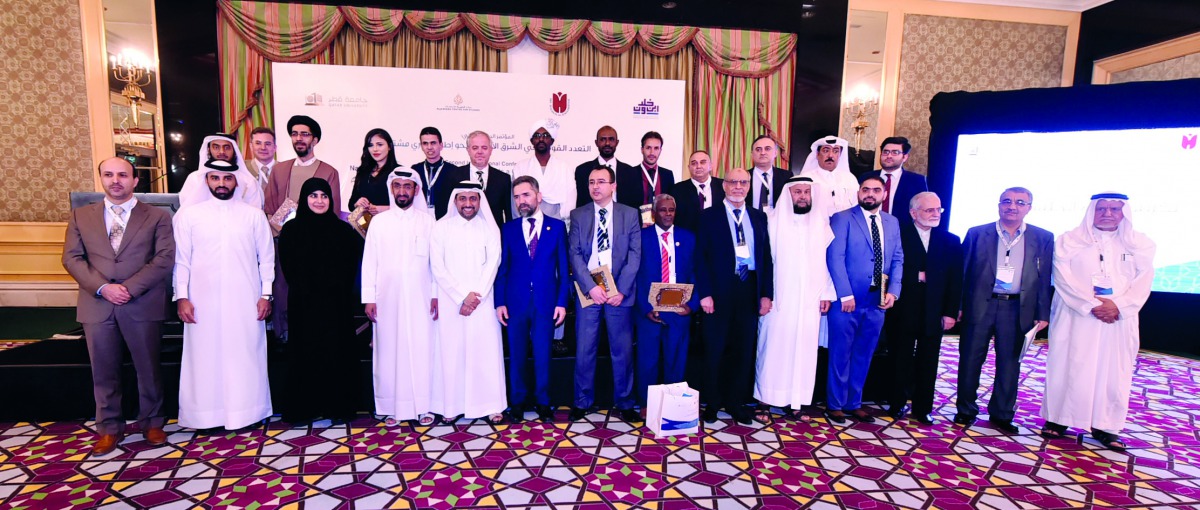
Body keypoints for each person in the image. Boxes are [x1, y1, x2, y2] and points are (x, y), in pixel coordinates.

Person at [62, 157, 175, 455]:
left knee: (148, 367)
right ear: (100, 178)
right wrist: (103, 288)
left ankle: (152, 423)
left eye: (123, 175)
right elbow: (72, 258)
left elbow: (164, 258)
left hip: (141, 302)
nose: (116, 180)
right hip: (97, 303)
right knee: (103, 369)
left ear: (135, 180)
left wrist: (128, 288)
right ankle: (109, 428)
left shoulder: (157, 216)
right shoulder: (80, 216)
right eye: (109, 174)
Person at [1040, 193, 1154, 452]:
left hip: (1118, 318)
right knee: (1068, 365)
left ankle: (1106, 426)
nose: (1108, 213)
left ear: (1124, 213)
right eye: (1102, 208)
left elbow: (1144, 280)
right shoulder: (1069, 241)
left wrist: (1118, 306)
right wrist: (1090, 305)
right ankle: (1058, 420)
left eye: (1114, 209)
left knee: (1113, 371)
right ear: (1092, 211)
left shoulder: (1140, 244)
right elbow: (1062, 276)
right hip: (1075, 315)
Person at [172, 158, 274, 431]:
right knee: (204, 356)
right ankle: (205, 415)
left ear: (236, 181)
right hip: (201, 301)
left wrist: (266, 294)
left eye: (227, 178)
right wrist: (182, 296)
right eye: (215, 178)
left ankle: (247, 412)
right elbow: (182, 261)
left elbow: (266, 259)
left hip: (246, 298)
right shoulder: (190, 216)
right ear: (207, 181)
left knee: (245, 354)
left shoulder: (253, 215)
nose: (221, 183)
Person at [956, 187, 1053, 433]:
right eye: (1007, 201)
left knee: (1010, 364)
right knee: (970, 360)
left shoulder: (1043, 237)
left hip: (1017, 308)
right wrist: (957, 306)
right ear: (998, 204)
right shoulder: (977, 233)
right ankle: (965, 410)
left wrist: (1043, 313)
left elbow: (1044, 279)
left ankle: (1002, 414)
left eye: (1020, 202)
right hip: (980, 305)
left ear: (1029, 207)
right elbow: (963, 273)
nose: (1013, 206)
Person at [278, 177, 365, 424]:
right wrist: (308, 290)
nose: (319, 201)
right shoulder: (291, 230)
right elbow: (288, 268)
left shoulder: (343, 231)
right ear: (305, 199)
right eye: (314, 196)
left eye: (324, 196)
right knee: (305, 354)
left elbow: (350, 268)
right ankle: (306, 407)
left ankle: (337, 407)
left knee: (337, 353)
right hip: (303, 305)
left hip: (336, 305)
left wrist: (334, 290)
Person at [695, 168, 774, 425]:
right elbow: (701, 260)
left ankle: (735, 402)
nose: (738, 187)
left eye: (743, 182)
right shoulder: (708, 217)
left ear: (749, 186)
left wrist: (766, 295)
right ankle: (713, 403)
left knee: (743, 350)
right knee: (715, 349)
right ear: (724, 186)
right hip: (718, 291)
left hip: (749, 289)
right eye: (732, 182)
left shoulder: (759, 217)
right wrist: (704, 294)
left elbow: (766, 259)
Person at [753, 176, 834, 424]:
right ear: (788, 194)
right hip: (779, 300)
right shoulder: (772, 222)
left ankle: (795, 401)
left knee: (803, 351)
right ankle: (765, 400)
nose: (801, 196)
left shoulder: (821, 224)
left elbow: (828, 261)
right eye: (797, 191)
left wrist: (827, 293)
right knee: (772, 349)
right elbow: (765, 262)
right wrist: (765, 295)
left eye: (806, 192)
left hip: (809, 300)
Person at [362, 169, 439, 427]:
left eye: (408, 186)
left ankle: (424, 406)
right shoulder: (380, 223)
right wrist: (369, 298)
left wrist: (435, 295)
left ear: (416, 190)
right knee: (389, 351)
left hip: (422, 298)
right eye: (398, 186)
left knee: (422, 349)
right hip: (387, 298)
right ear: (391, 189)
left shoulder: (428, 222)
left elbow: (437, 264)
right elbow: (369, 262)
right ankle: (390, 406)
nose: (403, 191)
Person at [825, 175, 903, 424]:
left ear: (884, 194)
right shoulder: (843, 218)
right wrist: (844, 294)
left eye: (876, 190)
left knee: (864, 353)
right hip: (848, 300)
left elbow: (898, 258)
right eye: (866, 189)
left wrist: (894, 292)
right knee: (840, 353)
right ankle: (835, 404)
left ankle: (854, 403)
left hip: (877, 300)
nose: (870, 194)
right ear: (859, 192)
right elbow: (835, 257)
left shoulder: (892, 222)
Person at [567, 165, 641, 422]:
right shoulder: (578, 214)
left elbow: (634, 254)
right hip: (589, 291)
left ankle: (625, 402)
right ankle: (582, 400)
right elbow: (574, 253)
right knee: (585, 348)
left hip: (619, 292)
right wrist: (591, 287)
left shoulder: (630, 214)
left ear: (613, 186)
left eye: (601, 181)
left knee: (622, 350)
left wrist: (620, 289)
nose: (595, 186)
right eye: (591, 182)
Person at [429, 182, 507, 425]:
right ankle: (450, 405)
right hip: (451, 299)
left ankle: (490, 405)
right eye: (463, 199)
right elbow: (437, 267)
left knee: (484, 354)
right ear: (455, 201)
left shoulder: (489, 229)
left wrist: (475, 297)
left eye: (473, 199)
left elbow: (493, 263)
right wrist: (462, 296)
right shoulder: (441, 228)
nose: (468, 204)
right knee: (451, 353)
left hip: (482, 304)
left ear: (479, 201)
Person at [883, 192, 962, 425]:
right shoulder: (898, 236)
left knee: (929, 360)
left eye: (938, 210)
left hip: (934, 312)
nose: (935, 214)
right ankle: (896, 403)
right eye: (929, 210)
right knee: (900, 358)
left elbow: (956, 280)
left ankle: (923, 407)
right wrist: (916, 276)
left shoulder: (951, 240)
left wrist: (950, 313)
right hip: (903, 308)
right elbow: (889, 269)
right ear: (913, 213)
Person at [495, 175, 569, 423]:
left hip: (546, 303)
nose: (521, 201)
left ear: (538, 196)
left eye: (526, 195)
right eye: (516, 197)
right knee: (516, 355)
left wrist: (561, 302)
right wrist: (499, 302)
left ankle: (544, 403)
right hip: (515, 303)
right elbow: (502, 269)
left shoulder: (557, 228)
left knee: (543, 355)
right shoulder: (508, 229)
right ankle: (517, 403)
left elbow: (563, 269)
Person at [263, 115, 343, 342]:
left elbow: (333, 212)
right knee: (285, 290)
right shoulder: (280, 170)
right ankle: (285, 335)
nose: (299, 138)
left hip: (318, 249)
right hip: (286, 244)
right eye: (295, 134)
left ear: (315, 140)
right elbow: (270, 209)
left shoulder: (329, 172)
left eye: (305, 134)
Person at [635, 194, 698, 416]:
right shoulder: (641, 237)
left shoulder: (688, 237)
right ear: (654, 213)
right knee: (647, 360)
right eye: (663, 210)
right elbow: (635, 276)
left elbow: (695, 272)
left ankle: (674, 404)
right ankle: (646, 403)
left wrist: (693, 304)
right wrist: (644, 308)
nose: (668, 214)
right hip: (650, 310)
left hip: (679, 309)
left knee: (676, 359)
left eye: (671, 210)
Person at [177, 133, 262, 210]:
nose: (222, 152)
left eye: (227, 147)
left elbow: (255, 214)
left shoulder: (248, 181)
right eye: (216, 147)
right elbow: (186, 212)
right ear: (209, 150)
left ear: (234, 150)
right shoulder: (194, 178)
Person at [513, 120, 575, 223]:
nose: (541, 139)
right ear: (532, 141)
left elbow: (570, 201)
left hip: (557, 222)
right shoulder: (520, 167)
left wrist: (559, 221)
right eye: (537, 136)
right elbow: (515, 202)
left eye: (545, 135)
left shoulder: (564, 168)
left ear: (552, 140)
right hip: (527, 221)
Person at [863, 136, 928, 219]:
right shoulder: (866, 177)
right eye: (885, 152)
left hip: (902, 230)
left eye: (895, 152)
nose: (889, 156)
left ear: (905, 157)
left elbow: (922, 210)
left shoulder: (916, 181)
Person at [460, 130, 513, 229]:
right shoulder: (454, 176)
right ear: (468, 150)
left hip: (494, 237)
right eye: (475, 148)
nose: (480, 152)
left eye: (484, 148)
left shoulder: (503, 179)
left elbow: (508, 215)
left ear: (491, 150)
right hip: (462, 235)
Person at [575, 126, 636, 208]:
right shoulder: (582, 171)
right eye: (603, 139)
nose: (607, 143)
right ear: (596, 143)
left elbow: (633, 205)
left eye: (611, 139)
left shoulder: (630, 172)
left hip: (622, 219)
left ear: (617, 142)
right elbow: (580, 204)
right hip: (592, 219)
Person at [617, 132, 675, 216]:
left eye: (656, 148)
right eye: (648, 148)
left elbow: (670, 204)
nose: (652, 152)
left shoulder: (667, 175)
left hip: (660, 225)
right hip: (636, 225)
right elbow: (625, 205)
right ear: (642, 149)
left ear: (660, 150)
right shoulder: (629, 174)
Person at [411, 127, 462, 219]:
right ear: (421, 146)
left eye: (433, 143)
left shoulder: (454, 171)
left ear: (441, 145)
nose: (429, 147)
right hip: (419, 219)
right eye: (425, 143)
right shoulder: (415, 170)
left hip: (446, 220)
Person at [798, 136, 859, 214]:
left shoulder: (850, 179)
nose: (830, 155)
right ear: (817, 154)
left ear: (840, 155)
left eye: (836, 151)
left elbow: (856, 206)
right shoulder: (806, 179)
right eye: (826, 150)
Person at [670, 149, 724, 233]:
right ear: (689, 167)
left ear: (710, 166)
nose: (698, 166)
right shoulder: (677, 190)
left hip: (717, 237)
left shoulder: (723, 186)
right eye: (694, 163)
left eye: (703, 162)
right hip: (689, 239)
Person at [348, 128, 399, 215]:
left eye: (379, 144)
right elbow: (351, 205)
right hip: (365, 226)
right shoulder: (363, 171)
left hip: (389, 225)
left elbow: (407, 206)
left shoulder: (398, 172)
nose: (375, 149)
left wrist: (384, 209)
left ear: (389, 146)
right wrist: (357, 203)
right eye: (371, 145)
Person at [747, 135, 791, 212]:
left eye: (767, 149)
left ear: (775, 153)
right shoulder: (744, 177)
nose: (763, 153)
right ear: (752, 154)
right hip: (751, 221)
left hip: (778, 222)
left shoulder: (786, 177)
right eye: (758, 149)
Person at [247, 126, 277, 194]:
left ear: (275, 147)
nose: (263, 148)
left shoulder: (285, 169)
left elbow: (292, 198)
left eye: (268, 144)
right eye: (258, 143)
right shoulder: (243, 168)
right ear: (251, 146)